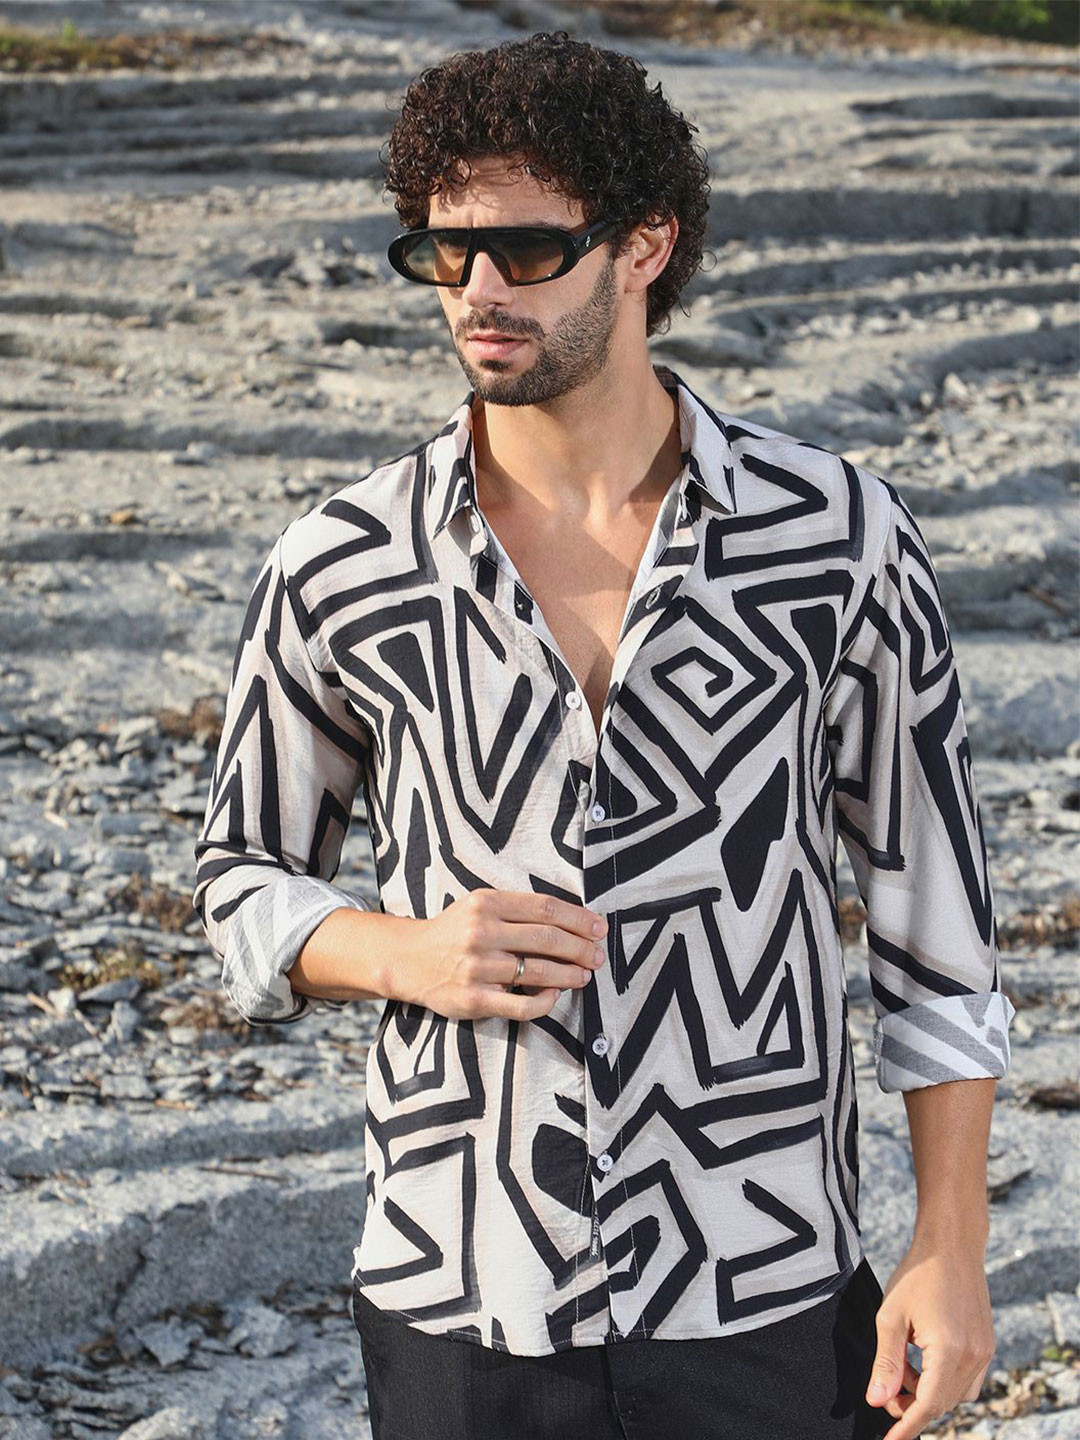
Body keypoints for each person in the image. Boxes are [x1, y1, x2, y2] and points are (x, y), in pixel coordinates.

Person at [191, 30, 1015, 1440]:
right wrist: (403, 952)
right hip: (465, 1292)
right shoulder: (342, 560)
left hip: (761, 1283)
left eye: (527, 250)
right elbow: (239, 883)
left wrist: (950, 1246)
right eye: (445, 253)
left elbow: (934, 917)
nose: (479, 292)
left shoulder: (838, 537)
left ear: (646, 245)